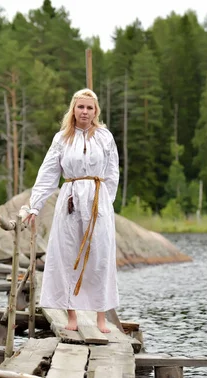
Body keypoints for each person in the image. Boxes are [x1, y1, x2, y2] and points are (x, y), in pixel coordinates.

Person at [23, 88, 120, 334]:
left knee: (99, 257)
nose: (84, 112)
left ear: (95, 111)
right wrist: (35, 206)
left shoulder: (105, 137)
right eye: (80, 107)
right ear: (73, 109)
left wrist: (106, 204)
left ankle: (100, 317)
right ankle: (72, 315)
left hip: (98, 201)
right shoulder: (62, 139)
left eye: (89, 107)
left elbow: (112, 173)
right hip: (70, 200)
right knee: (67, 255)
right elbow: (48, 174)